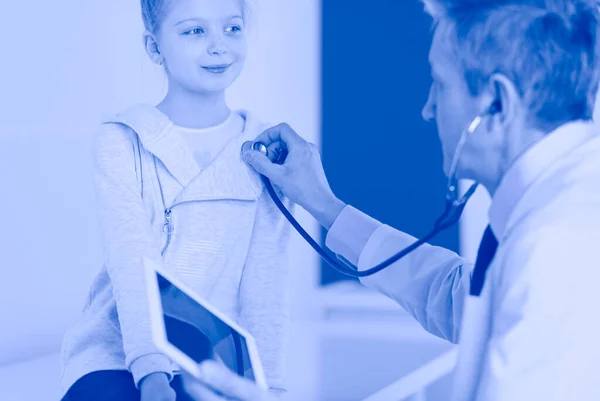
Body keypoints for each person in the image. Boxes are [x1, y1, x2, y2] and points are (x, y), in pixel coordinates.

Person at [181, 0, 600, 400]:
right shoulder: (556, 205)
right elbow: (458, 296)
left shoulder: (557, 248)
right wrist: (324, 205)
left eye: (440, 84)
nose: (428, 109)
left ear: (496, 103)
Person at [59, 0, 293, 400]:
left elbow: (265, 287)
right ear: (154, 47)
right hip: (119, 356)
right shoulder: (122, 140)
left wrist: (265, 387)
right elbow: (132, 261)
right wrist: (152, 375)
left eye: (232, 28)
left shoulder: (270, 151)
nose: (219, 46)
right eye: (194, 31)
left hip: (210, 363)